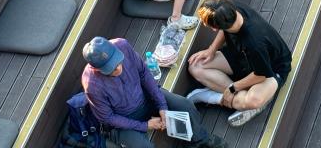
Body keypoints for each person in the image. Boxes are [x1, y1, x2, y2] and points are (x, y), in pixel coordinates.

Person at [82, 36, 226, 148]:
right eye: (111, 69)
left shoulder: (123, 45)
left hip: (146, 98)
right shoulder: (92, 85)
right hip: (124, 118)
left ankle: (198, 141)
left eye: (118, 62)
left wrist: (162, 106)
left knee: (186, 105)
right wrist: (145, 126)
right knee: (143, 146)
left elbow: (144, 74)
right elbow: (108, 118)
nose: (118, 69)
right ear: (97, 69)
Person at [186, 0, 292, 127]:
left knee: (254, 101)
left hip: (272, 69)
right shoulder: (229, 8)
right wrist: (211, 49)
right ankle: (241, 101)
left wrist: (233, 88)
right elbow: (225, 28)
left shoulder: (254, 43)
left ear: (214, 28)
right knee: (196, 65)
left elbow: (261, 74)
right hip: (240, 56)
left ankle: (211, 97)